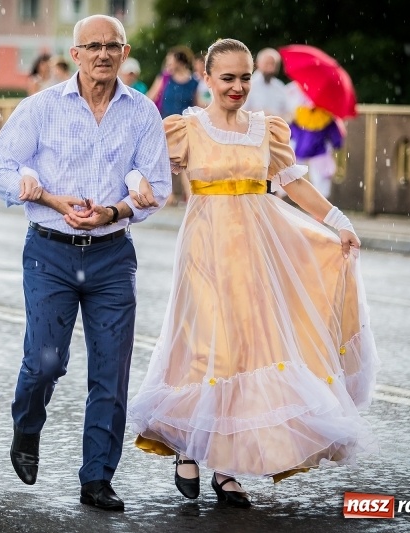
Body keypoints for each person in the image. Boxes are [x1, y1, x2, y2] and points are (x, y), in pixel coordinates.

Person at [127, 38, 378, 508]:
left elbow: (292, 183)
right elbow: (147, 168)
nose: (238, 86)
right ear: (207, 79)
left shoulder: (267, 129)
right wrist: (135, 184)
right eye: (228, 77)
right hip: (206, 244)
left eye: (244, 77)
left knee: (245, 346)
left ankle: (225, 464)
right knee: (206, 342)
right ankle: (188, 446)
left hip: (258, 246)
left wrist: (337, 221)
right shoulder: (186, 127)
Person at [0, 14, 171, 512]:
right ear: (76, 54)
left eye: (113, 45)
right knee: (45, 362)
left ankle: (97, 478)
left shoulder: (143, 113)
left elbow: (159, 189)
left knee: (111, 373)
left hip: (112, 256)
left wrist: (116, 210)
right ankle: (26, 426)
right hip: (50, 251)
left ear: (125, 52)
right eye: (93, 46)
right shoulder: (41, 108)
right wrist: (46, 195)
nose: (103, 54)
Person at [147, 45, 199, 206]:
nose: (168, 62)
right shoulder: (164, 77)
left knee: (186, 161)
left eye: (171, 59)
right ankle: (167, 195)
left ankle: (190, 195)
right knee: (165, 160)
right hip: (166, 123)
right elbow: (151, 97)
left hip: (186, 125)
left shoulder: (194, 82)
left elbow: (197, 104)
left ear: (180, 61)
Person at [287, 84, 345, 199]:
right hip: (307, 149)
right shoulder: (300, 112)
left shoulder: (324, 115)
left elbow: (291, 132)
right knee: (293, 175)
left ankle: (319, 204)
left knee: (319, 179)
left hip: (314, 150)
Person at [242, 47, 291, 121]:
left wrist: (277, 116)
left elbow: (288, 113)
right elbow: (240, 111)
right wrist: (261, 115)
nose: (270, 68)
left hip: (275, 129)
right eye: (267, 63)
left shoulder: (280, 86)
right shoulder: (248, 84)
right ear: (257, 64)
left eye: (273, 64)